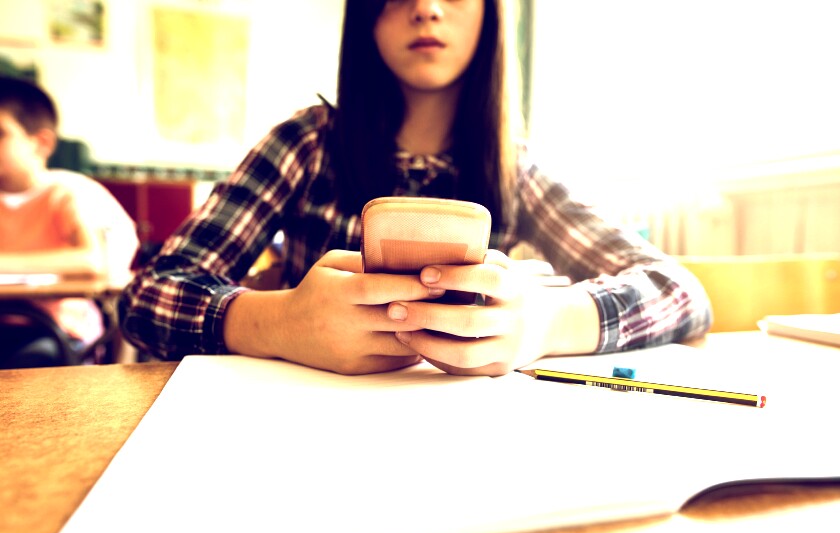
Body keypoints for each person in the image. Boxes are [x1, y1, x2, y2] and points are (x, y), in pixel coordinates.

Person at [119, 0, 711, 376]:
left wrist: (547, 324)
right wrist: (279, 322)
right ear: (366, 17)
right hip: (310, 426)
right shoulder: (305, 143)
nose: (426, 8)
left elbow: (680, 293)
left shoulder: (517, 170)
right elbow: (147, 299)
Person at [0, 76, 139, 368]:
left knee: (28, 362)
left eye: (1, 134)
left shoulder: (64, 194)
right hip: (6, 324)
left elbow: (91, 261)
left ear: (41, 143)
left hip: (56, 329)